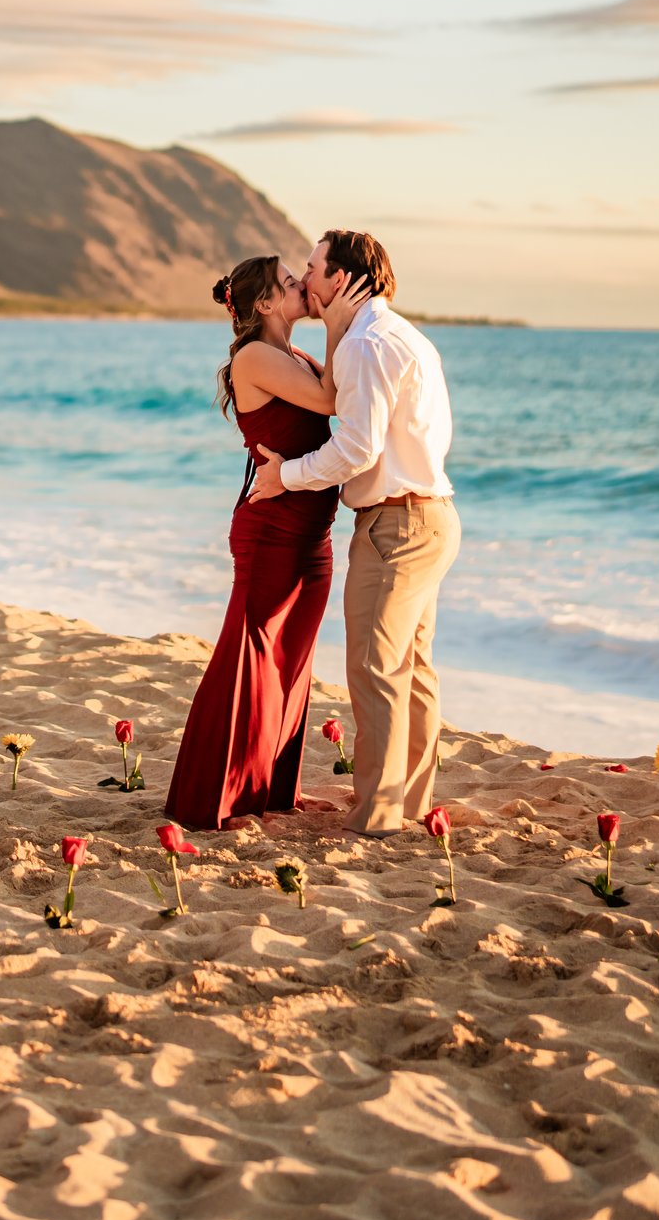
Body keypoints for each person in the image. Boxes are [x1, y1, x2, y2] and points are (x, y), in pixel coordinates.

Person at [247, 230, 457, 837]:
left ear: (339, 279)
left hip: (397, 524)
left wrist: (287, 476)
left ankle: (379, 816)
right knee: (412, 669)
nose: (306, 280)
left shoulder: (366, 345)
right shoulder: (398, 334)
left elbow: (357, 449)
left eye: (312, 269)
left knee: (374, 670)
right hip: (431, 515)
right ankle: (410, 804)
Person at [164, 254, 343, 830]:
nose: (303, 287)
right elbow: (328, 402)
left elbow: (333, 397)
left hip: (311, 532)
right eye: (292, 284)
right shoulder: (255, 356)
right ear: (265, 304)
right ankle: (218, 796)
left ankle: (267, 790)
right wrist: (340, 319)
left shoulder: (291, 354)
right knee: (251, 658)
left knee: (290, 662)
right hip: (272, 531)